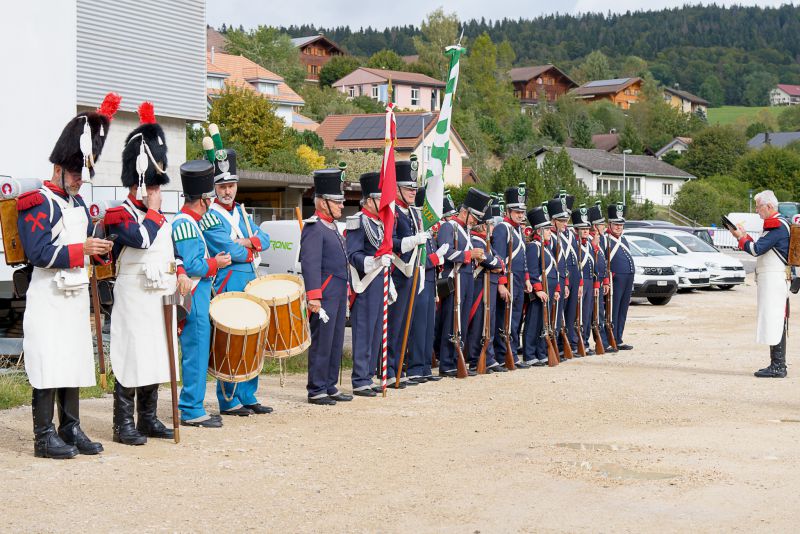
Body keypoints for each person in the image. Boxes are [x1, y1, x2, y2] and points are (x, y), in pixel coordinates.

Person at [18, 93, 119, 458]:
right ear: (60, 167)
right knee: (49, 362)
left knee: (73, 359)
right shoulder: (36, 201)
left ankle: (70, 427)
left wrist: (97, 250)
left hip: (75, 295)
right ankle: (44, 436)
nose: (80, 180)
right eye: (76, 173)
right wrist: (82, 250)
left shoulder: (76, 203)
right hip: (48, 295)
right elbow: (38, 252)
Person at [104, 102, 192, 445]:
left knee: (158, 352)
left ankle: (148, 417)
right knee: (132, 353)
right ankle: (122, 422)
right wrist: (153, 212)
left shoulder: (159, 216)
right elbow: (140, 240)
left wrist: (180, 271)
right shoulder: (118, 214)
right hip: (133, 294)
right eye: (154, 186)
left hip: (159, 294)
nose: (158, 192)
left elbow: (171, 251)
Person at [200, 144, 273, 416]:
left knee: (252, 338)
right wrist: (247, 246)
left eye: (231, 184)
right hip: (228, 281)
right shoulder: (210, 216)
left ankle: (248, 394)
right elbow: (229, 251)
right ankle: (229, 399)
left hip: (249, 280)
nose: (227, 191)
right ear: (214, 188)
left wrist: (247, 242)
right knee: (230, 339)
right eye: (222, 186)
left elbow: (263, 239)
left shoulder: (242, 212)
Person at [172, 160, 232, 427]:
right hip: (193, 295)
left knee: (198, 351)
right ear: (205, 200)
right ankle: (191, 408)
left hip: (199, 293)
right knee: (195, 352)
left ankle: (193, 404)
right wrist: (215, 264)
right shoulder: (185, 224)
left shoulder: (190, 222)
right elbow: (193, 264)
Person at [300, 168, 353, 405]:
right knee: (322, 342)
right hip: (324, 294)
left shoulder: (332, 227)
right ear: (322, 203)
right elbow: (310, 264)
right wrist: (314, 296)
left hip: (338, 293)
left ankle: (330, 384)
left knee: (335, 340)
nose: (342, 206)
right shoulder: (314, 227)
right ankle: (317, 388)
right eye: (337, 202)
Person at [731, 190, 791, 378]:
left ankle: (778, 366)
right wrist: (744, 237)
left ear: (770, 206)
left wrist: (740, 237)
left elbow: (756, 250)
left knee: (774, 319)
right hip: (774, 277)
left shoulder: (776, 225)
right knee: (775, 319)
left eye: (759, 207)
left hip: (774, 278)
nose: (757, 211)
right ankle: (777, 364)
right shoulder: (780, 224)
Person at [346, 172, 391, 396]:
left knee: (376, 332)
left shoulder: (381, 223)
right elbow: (353, 254)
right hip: (365, 282)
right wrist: (373, 262)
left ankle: (369, 375)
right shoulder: (358, 221)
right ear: (369, 199)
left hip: (380, 281)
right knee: (364, 331)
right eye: (379, 198)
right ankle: (360, 379)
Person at [437, 188, 490, 377]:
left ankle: (456, 360)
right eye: (474, 217)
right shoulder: (448, 227)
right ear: (465, 212)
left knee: (462, 321)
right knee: (452, 320)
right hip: (454, 278)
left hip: (467, 279)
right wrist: (469, 254)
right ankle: (447, 362)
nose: (476, 221)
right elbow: (445, 253)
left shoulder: (465, 231)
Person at [387, 160, 428, 387]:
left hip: (411, 272)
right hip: (397, 272)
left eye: (414, 189)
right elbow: (388, 242)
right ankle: (389, 370)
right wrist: (411, 241)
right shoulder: (393, 212)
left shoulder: (412, 213)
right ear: (397, 189)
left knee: (405, 324)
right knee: (394, 324)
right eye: (408, 188)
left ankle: (398, 367)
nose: (413, 192)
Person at [406, 186, 444, 384]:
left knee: (429, 327)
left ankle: (425, 367)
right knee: (419, 327)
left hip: (430, 282)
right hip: (419, 281)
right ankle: (414, 367)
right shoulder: (418, 229)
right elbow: (418, 260)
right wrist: (435, 259)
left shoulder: (428, 231)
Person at [492, 184, 532, 369]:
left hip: (518, 281)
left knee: (515, 319)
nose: (520, 215)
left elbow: (522, 258)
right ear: (508, 210)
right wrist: (501, 283)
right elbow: (499, 259)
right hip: (508, 280)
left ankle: (512, 353)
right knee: (504, 319)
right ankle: (502, 355)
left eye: (522, 211)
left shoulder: (518, 230)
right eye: (516, 211)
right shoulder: (502, 229)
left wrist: (526, 279)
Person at [466, 201, 503, 372]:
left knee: (489, 322)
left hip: (490, 285)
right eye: (490, 225)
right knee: (479, 322)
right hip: (480, 285)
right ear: (483, 226)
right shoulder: (475, 240)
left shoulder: (485, 241)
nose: (493, 228)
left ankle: (488, 356)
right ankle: (475, 358)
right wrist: (495, 263)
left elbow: (499, 262)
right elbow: (490, 261)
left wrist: (496, 264)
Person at [522, 205, 560, 366]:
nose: (550, 232)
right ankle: (530, 354)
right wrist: (538, 290)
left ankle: (541, 351)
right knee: (534, 322)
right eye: (546, 230)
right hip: (541, 291)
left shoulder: (546, 247)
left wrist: (557, 289)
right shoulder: (534, 247)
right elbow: (532, 271)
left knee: (545, 323)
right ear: (538, 231)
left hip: (550, 290)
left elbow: (554, 270)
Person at [606, 203, 634, 351]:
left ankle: (619, 338)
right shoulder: (606, 239)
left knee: (623, 309)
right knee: (613, 310)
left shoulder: (623, 239)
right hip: (615, 279)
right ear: (609, 224)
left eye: (621, 224)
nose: (618, 227)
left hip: (627, 278)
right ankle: (610, 339)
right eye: (616, 224)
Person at [587, 202, 612, 352]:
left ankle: (602, 341)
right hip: (593, 282)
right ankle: (599, 342)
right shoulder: (591, 241)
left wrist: (606, 281)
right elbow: (592, 264)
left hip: (601, 282)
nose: (604, 227)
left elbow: (604, 264)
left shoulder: (600, 239)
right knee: (594, 315)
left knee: (600, 314)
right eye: (601, 224)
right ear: (595, 226)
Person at [572, 204, 596, 355]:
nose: (586, 231)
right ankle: (575, 343)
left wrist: (597, 283)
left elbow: (596, 266)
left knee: (586, 314)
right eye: (582, 229)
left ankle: (585, 342)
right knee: (577, 314)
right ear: (576, 230)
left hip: (590, 281)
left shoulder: (591, 245)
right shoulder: (574, 244)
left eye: (587, 228)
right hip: (580, 282)